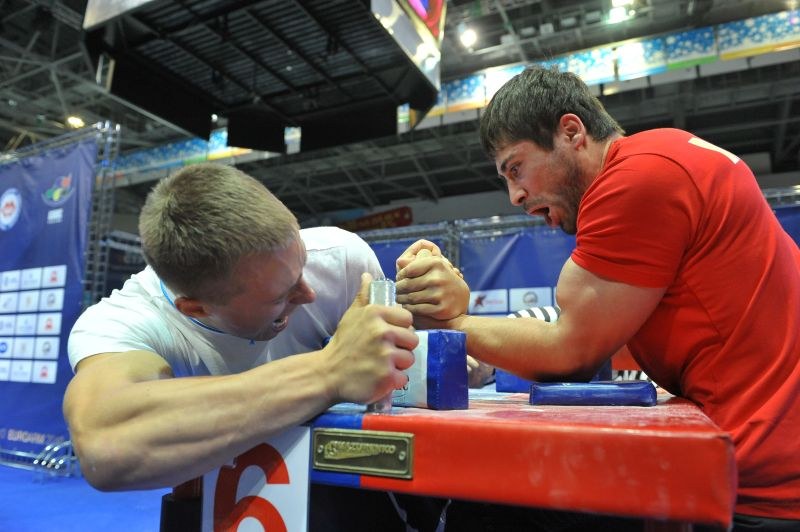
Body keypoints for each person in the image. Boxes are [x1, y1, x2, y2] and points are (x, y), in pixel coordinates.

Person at [396, 66, 800, 530]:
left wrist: (453, 322)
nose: (514, 195)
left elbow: (570, 352)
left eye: (516, 167)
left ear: (571, 132)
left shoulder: (638, 177)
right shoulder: (665, 154)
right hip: (763, 456)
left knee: (486, 514)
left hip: (760, 479)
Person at [63, 162, 457, 531]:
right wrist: (329, 371)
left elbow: (409, 373)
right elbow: (106, 442)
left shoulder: (340, 259)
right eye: (282, 295)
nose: (308, 293)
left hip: (356, 499)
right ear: (196, 307)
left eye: (301, 267)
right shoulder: (126, 321)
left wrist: (447, 320)